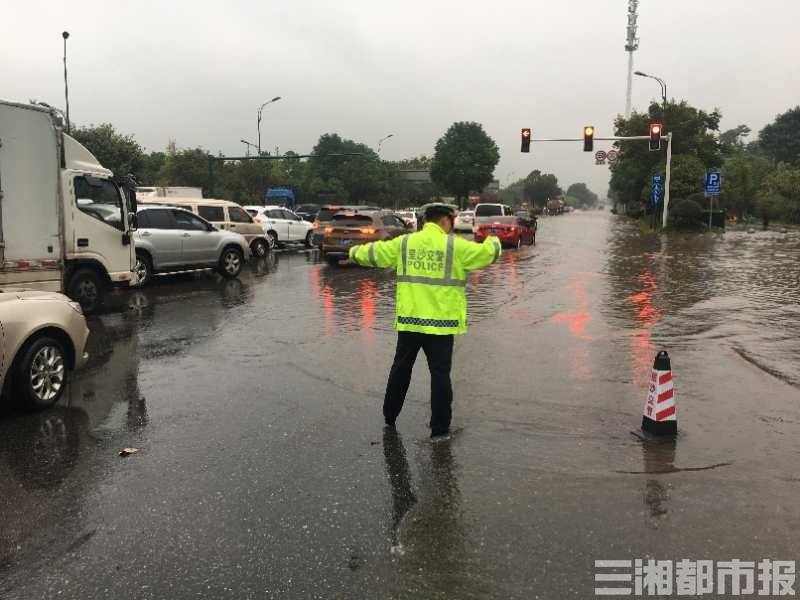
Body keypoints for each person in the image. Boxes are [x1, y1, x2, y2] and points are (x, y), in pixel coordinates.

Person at [348, 203, 501, 439]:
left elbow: (374, 253)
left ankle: (390, 416)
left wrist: (351, 252)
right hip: (441, 326)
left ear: (426, 219)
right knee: (440, 376)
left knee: (400, 370)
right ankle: (440, 431)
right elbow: (488, 254)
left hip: (410, 323)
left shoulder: (406, 243)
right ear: (446, 221)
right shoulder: (455, 246)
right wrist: (493, 239)